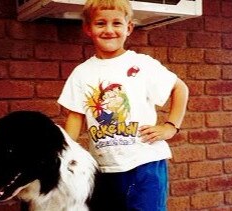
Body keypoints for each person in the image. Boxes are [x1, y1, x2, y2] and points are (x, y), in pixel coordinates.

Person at [57, 0, 189, 210]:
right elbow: (75, 117)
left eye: (117, 23)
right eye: (100, 23)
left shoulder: (142, 64)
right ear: (88, 29)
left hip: (145, 165)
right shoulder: (81, 73)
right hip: (103, 169)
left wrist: (170, 127)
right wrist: (62, 156)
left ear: (129, 28)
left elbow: (180, 88)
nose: (109, 30)